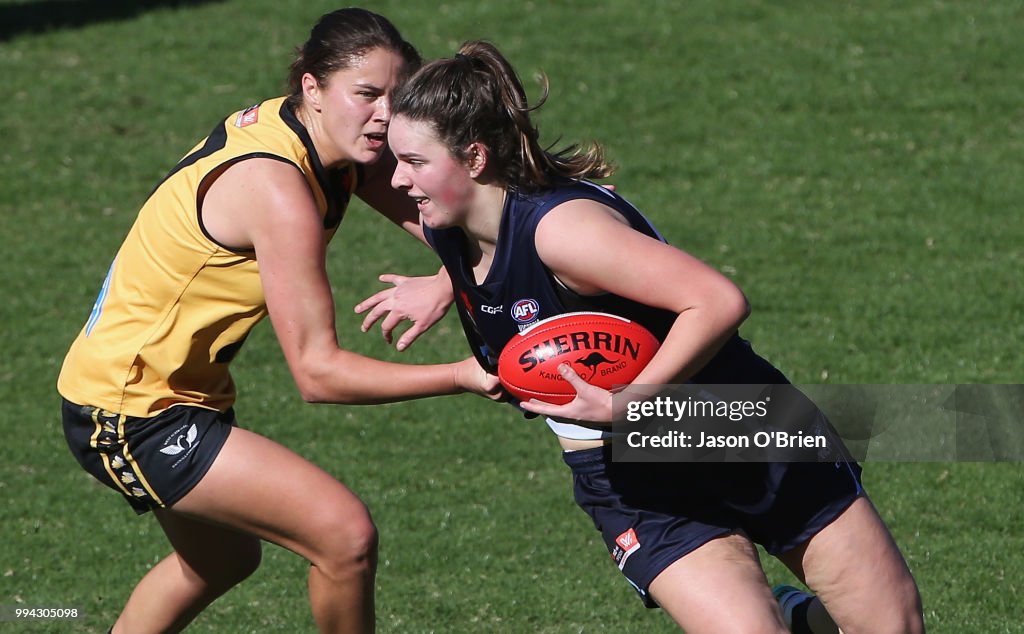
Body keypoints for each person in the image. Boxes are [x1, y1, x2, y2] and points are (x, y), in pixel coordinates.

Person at [361, 40, 926, 633]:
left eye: (413, 162)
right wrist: (444, 281)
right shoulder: (448, 225)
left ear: (474, 159)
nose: (396, 180)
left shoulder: (566, 235)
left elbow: (717, 300)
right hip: (628, 474)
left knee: (892, 627)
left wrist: (629, 406)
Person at [57, 10, 502, 634]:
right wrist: (465, 374)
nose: (384, 115)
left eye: (397, 99)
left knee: (219, 561)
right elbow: (318, 373)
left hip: (173, 392)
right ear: (312, 88)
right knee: (343, 536)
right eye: (367, 95)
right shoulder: (277, 188)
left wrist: (447, 278)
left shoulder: (332, 140)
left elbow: (467, 229)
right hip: (130, 409)